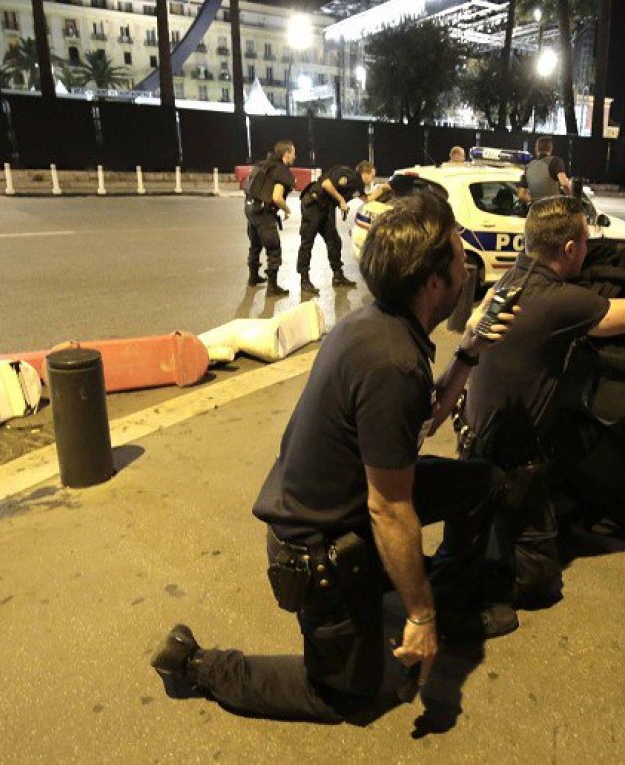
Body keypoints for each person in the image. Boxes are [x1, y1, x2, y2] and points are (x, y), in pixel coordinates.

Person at [151, 191, 521, 722]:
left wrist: (469, 353)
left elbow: (419, 425)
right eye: (462, 263)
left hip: (353, 500)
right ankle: (200, 665)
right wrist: (418, 616)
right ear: (433, 282)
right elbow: (388, 509)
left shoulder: (383, 324)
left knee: (477, 483)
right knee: (346, 696)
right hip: (316, 547)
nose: (469, 273)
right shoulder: (393, 362)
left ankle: (447, 600)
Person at [459, 195, 625, 608]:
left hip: (477, 436)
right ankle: (475, 581)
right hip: (505, 460)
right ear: (571, 249)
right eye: (586, 243)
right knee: (539, 585)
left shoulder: (513, 278)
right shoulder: (557, 300)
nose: (589, 250)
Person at [296, 160, 383, 295]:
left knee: (334, 241)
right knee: (307, 242)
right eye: (372, 175)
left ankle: (338, 276)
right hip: (313, 204)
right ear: (365, 173)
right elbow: (326, 184)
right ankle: (304, 280)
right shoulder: (347, 174)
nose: (373, 178)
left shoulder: (357, 185)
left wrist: (382, 189)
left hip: (326, 208)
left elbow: (367, 199)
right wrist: (341, 200)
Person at [245, 140, 297, 296]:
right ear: (286, 154)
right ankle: (272, 287)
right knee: (274, 249)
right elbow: (277, 197)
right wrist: (287, 210)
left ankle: (253, 277)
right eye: (293, 153)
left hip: (250, 209)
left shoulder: (262, 165)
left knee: (255, 245)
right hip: (264, 213)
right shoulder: (281, 171)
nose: (295, 156)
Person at [517, 137, 571, 205]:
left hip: (535, 212)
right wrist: (572, 200)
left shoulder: (528, 167)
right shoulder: (555, 161)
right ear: (550, 148)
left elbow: (521, 195)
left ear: (536, 148)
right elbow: (565, 184)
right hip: (552, 210)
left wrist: (532, 201)